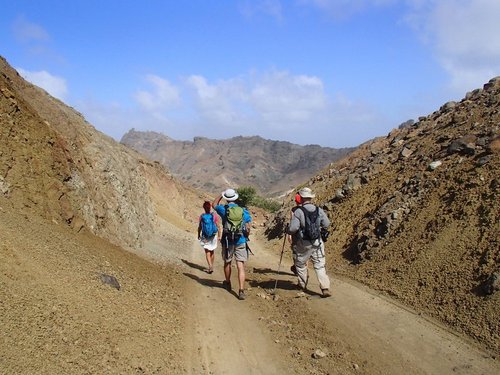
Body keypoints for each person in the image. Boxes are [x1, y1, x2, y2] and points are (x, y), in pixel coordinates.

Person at [287, 187, 331, 298]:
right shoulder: (318, 210)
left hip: (304, 243)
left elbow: (293, 228)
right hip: (317, 241)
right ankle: (325, 288)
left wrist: (288, 230)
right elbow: (326, 223)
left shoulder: (298, 211)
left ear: (301, 198)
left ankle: (302, 285)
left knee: (300, 264)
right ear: (310, 198)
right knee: (320, 265)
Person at [212, 188, 252, 300]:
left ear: (226, 199)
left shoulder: (223, 209)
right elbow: (248, 227)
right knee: (240, 266)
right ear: (236, 198)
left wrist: (221, 194)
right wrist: (246, 237)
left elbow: (214, 204)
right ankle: (241, 290)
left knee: (227, 262)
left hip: (228, 241)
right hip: (241, 240)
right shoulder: (243, 211)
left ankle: (228, 283)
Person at [197, 200, 220, 274]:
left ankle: (210, 266)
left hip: (205, 236)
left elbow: (200, 227)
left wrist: (198, 234)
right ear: (210, 207)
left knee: (207, 251)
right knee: (212, 251)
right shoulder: (214, 216)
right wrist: (219, 235)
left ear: (204, 208)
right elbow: (218, 226)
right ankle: (211, 266)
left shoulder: (202, 216)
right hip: (213, 235)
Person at [288, 192, 303, 276]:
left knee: (295, 252)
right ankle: (304, 270)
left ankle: (297, 269)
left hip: (296, 234)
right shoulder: (307, 209)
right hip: (306, 235)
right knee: (305, 254)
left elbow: (292, 223)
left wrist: (289, 234)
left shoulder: (293, 210)